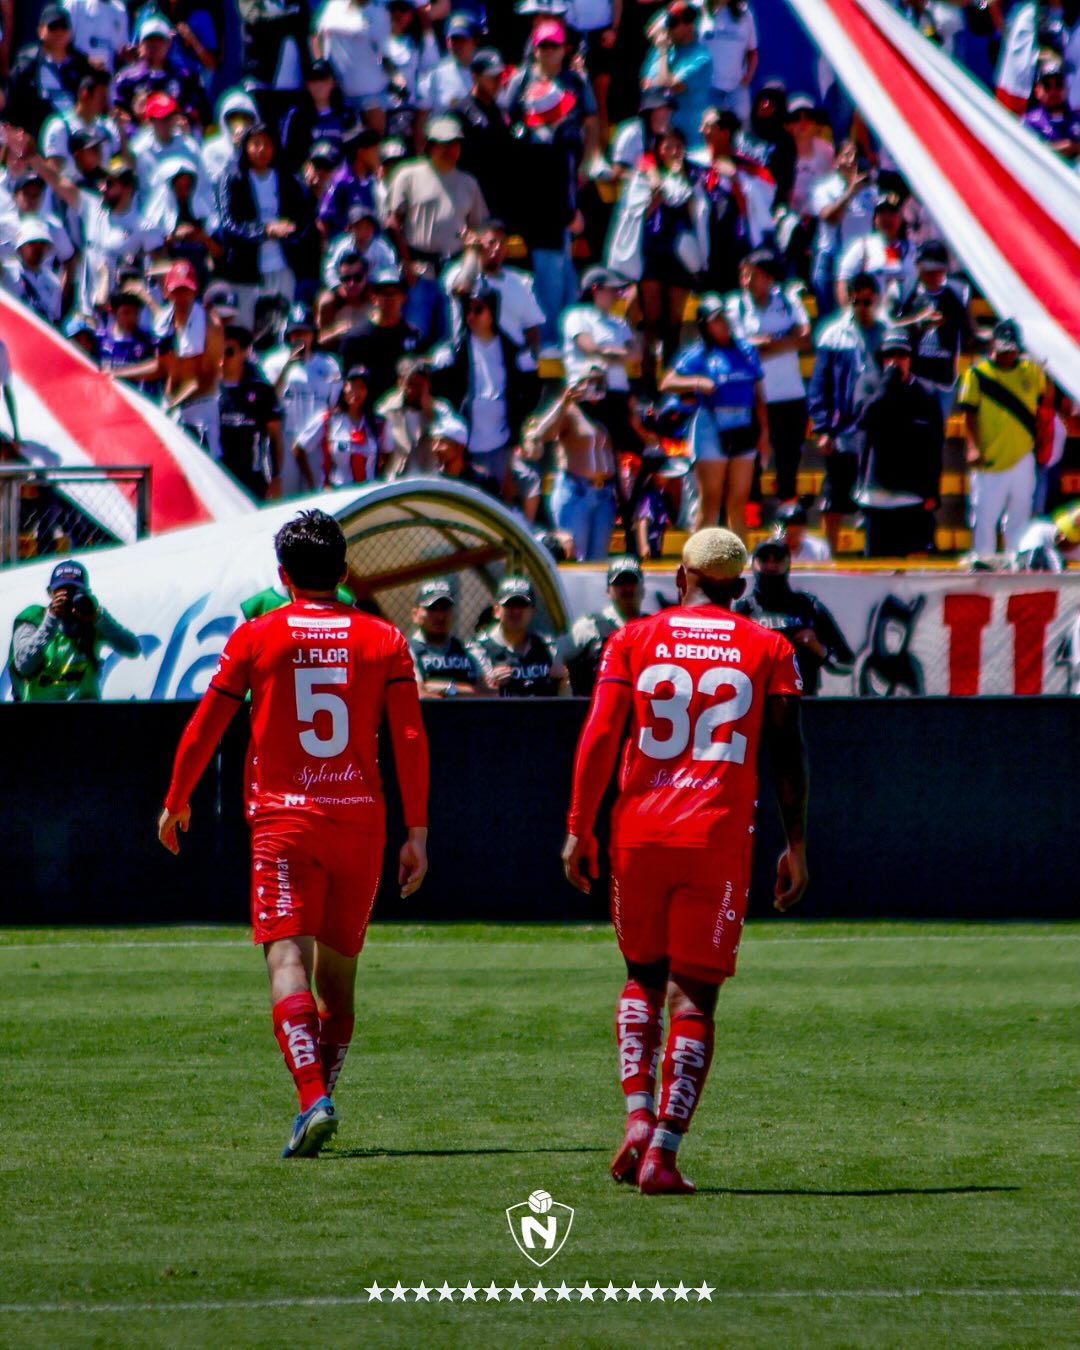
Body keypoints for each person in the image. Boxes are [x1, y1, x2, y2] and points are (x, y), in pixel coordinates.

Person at [157, 509, 429, 1157]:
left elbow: (205, 726)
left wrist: (175, 799)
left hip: (286, 822)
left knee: (286, 962)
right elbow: (410, 738)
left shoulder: (258, 635)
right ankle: (318, 1097)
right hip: (361, 823)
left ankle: (312, 1099)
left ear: (282, 576)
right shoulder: (385, 638)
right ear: (342, 574)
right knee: (338, 984)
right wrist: (416, 830)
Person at [562, 527, 809, 1195]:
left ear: (681, 575)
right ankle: (663, 1154)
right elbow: (787, 753)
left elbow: (600, 735)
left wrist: (578, 827)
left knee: (641, 976)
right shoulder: (770, 647)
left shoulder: (633, 638)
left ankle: (638, 1117)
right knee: (694, 994)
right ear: (741, 585)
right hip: (717, 841)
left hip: (638, 835)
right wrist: (798, 843)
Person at [660, 293, 769, 538]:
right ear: (705, 325)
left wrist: (764, 433)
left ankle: (739, 560)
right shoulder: (699, 353)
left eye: (724, 318)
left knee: (738, 501)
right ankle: (697, 562)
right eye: (716, 320)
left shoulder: (746, 350)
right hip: (711, 423)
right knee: (710, 500)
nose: (723, 323)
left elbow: (759, 394)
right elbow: (667, 382)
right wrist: (697, 381)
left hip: (743, 422)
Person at [385, 115, 488, 342]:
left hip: (454, 268)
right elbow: (393, 223)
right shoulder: (408, 174)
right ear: (430, 145)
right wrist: (406, 263)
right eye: (444, 144)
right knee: (415, 332)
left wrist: (470, 263)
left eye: (455, 144)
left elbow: (479, 227)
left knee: (451, 337)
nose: (450, 150)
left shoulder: (468, 183)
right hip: (419, 269)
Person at [807, 271, 888, 551]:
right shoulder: (834, 334)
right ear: (851, 300)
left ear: (876, 300)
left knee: (873, 498)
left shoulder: (888, 332)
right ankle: (829, 554)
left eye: (868, 302)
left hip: (874, 429)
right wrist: (823, 427)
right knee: (833, 498)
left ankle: (871, 555)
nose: (863, 308)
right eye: (858, 302)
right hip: (843, 429)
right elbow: (820, 384)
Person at [957, 318, 1050, 557]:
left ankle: (1016, 559)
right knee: (985, 516)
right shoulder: (978, 373)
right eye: (1004, 349)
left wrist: (1041, 439)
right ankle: (984, 559)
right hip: (990, 458)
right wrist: (972, 447)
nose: (1008, 355)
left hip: (1022, 455)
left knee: (1020, 513)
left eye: (1012, 350)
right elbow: (969, 414)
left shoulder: (1031, 371)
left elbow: (1041, 405)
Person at [725, 249, 811, 505]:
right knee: (751, 461)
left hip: (791, 396)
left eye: (751, 275)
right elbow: (742, 347)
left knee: (788, 460)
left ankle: (787, 518)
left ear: (767, 277)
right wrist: (785, 341)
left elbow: (805, 338)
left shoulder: (788, 301)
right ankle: (751, 518)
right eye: (744, 275)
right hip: (755, 396)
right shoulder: (735, 305)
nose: (746, 280)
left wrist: (767, 344)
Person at [854, 329, 943, 558]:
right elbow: (866, 417)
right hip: (878, 497)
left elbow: (935, 445)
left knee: (916, 569)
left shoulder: (927, 393)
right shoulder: (868, 385)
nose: (895, 361)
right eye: (889, 356)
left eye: (901, 356)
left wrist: (932, 491)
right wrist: (887, 383)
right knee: (877, 571)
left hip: (913, 497)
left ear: (911, 358)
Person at [8, 558, 140, 701]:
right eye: (62, 593)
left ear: (86, 593)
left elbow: (133, 649)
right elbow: (24, 665)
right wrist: (51, 620)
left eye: (74, 592)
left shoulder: (93, 621)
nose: (69, 599)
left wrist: (98, 618)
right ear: (50, 593)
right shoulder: (33, 618)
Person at [736, 537, 853, 693]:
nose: (771, 565)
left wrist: (818, 648)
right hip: (757, 701)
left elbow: (847, 665)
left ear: (788, 564)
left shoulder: (808, 606)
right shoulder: (742, 609)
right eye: (764, 559)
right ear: (753, 564)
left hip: (802, 701)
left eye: (777, 559)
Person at [525, 368, 619, 561]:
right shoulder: (569, 410)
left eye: (599, 381)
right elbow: (544, 433)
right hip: (576, 493)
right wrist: (565, 401)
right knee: (575, 556)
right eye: (590, 381)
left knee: (598, 560)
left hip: (603, 494)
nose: (595, 386)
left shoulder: (607, 411)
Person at [261, 304, 343, 497]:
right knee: (285, 500)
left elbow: (335, 404)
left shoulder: (328, 364)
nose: (299, 338)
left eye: (304, 332)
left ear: (313, 334)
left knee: (315, 497)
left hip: (316, 442)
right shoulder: (273, 362)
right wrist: (288, 366)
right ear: (287, 336)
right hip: (285, 439)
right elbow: (267, 399)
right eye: (295, 333)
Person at [892, 238, 972, 419]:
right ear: (918, 265)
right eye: (928, 269)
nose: (933, 274)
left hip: (943, 379)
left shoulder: (959, 293)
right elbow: (884, 327)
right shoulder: (902, 291)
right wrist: (917, 323)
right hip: (912, 378)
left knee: (935, 438)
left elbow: (970, 333)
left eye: (938, 268)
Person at [468, 576, 569, 696]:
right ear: (496, 610)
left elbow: (566, 697)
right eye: (510, 605)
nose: (516, 611)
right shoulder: (479, 649)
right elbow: (472, 701)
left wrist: (563, 683)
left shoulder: (548, 647)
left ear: (532, 611)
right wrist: (489, 686)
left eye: (522, 605)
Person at [560, 555, 645, 696]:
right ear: (608, 591)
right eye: (620, 583)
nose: (627, 588)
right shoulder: (590, 627)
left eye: (631, 582)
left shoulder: (653, 627)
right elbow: (557, 659)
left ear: (642, 588)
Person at [218, 324, 286, 499]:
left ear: (243, 353)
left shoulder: (261, 391)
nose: (223, 357)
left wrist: (276, 477)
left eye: (229, 351)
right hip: (217, 477)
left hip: (252, 478)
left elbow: (275, 437)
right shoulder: (209, 390)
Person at [293, 364, 385, 489]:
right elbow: (299, 448)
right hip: (337, 493)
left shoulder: (378, 423)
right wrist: (312, 483)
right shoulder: (328, 420)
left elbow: (387, 453)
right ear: (344, 387)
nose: (356, 392)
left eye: (362, 387)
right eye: (352, 386)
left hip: (368, 494)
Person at [409, 577, 488, 697]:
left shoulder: (468, 650)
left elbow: (486, 694)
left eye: (445, 608)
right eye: (432, 609)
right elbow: (418, 695)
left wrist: (449, 689)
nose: (440, 616)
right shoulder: (407, 651)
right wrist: (468, 690)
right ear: (415, 614)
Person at [697, 0, 758, 124]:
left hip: (736, 88)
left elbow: (752, 52)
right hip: (709, 88)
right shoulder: (700, 10)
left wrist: (748, 76)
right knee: (709, 128)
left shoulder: (745, 14)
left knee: (740, 130)